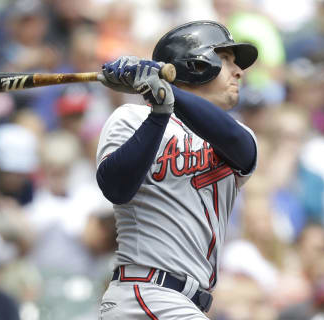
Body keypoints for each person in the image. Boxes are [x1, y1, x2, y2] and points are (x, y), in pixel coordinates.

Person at [95, 20, 258, 318]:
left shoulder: (237, 134)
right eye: (225, 60)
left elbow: (236, 143)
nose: (239, 72)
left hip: (184, 303)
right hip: (145, 294)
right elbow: (116, 188)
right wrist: (159, 113)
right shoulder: (131, 118)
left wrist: (163, 91)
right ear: (196, 64)